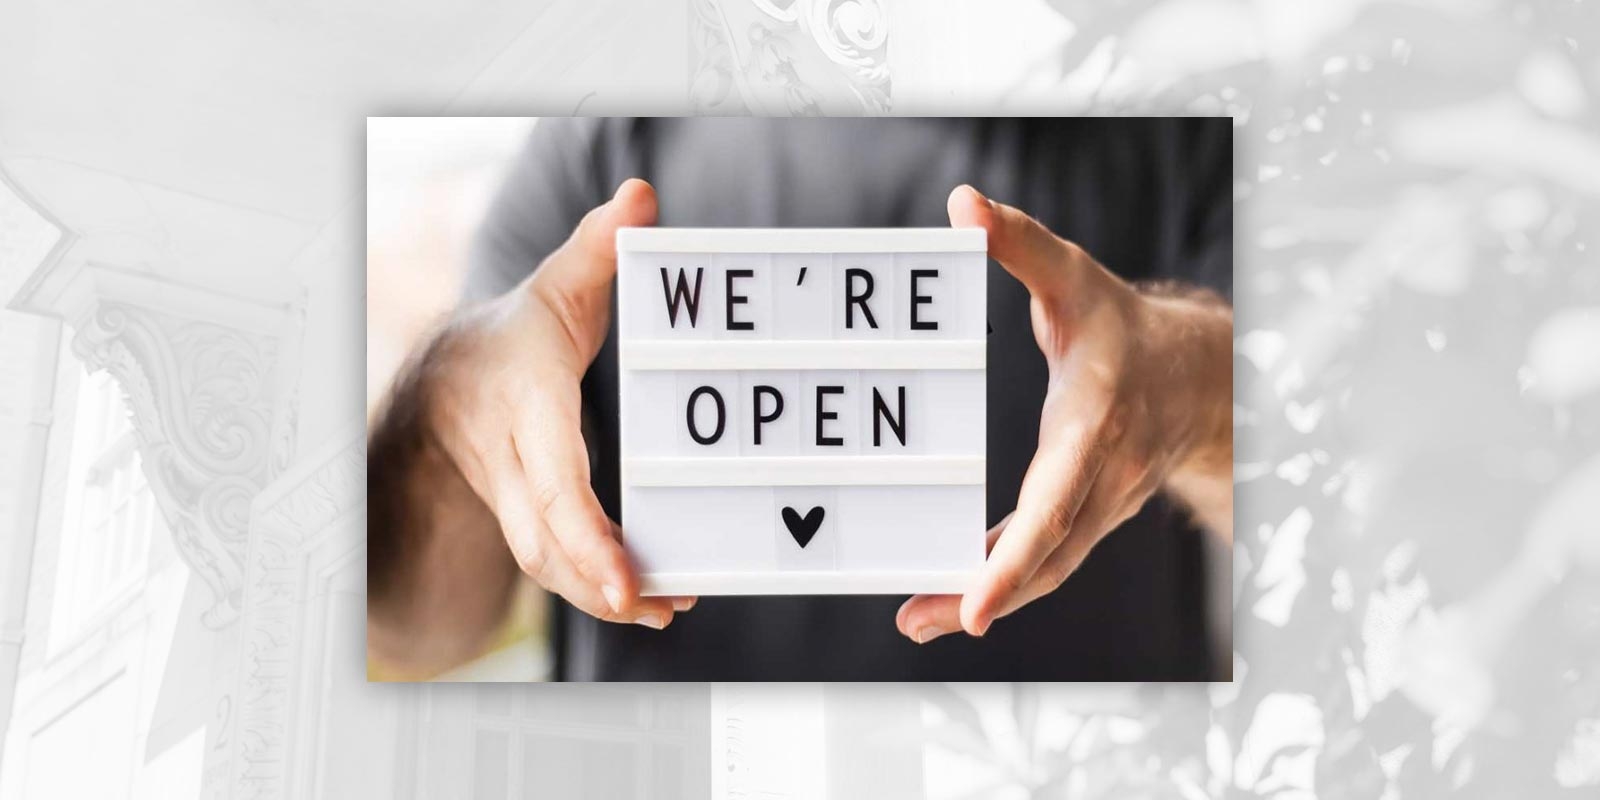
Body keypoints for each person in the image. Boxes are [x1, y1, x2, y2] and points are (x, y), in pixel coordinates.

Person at [367, 118, 1233, 680]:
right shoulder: (596, 146)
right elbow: (408, 636)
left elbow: (1348, 532)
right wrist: (443, 420)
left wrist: (1197, 393)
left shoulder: (1185, 124)